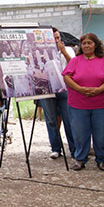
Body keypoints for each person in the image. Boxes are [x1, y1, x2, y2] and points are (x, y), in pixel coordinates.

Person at [62, 33, 104, 171]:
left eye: (89, 43)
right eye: (84, 43)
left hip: (102, 103)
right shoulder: (75, 60)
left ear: (96, 44)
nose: (86, 46)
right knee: (80, 133)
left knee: (102, 133)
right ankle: (80, 159)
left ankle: (102, 159)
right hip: (78, 104)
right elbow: (67, 76)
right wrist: (79, 88)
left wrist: (100, 89)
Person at [39, 27, 76, 160]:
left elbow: (74, 65)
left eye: (57, 38)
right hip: (48, 90)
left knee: (69, 119)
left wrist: (63, 51)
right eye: (52, 38)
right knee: (51, 120)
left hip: (65, 89)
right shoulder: (40, 52)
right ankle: (55, 148)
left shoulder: (69, 50)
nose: (55, 40)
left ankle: (74, 149)